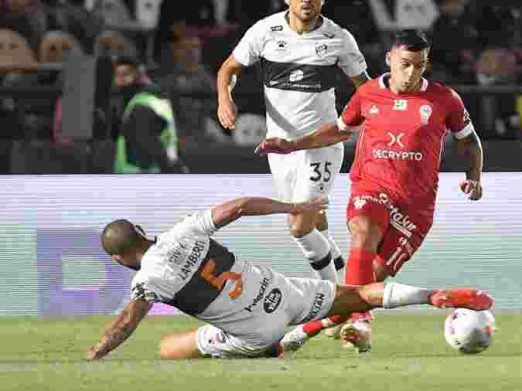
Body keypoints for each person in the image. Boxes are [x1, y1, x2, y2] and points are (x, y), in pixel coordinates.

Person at [257, 30, 485, 352]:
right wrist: (292, 145)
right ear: (390, 58)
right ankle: (361, 322)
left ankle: (306, 332)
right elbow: (338, 130)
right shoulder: (368, 94)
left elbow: (470, 141)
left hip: (415, 210)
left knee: (363, 287)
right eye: (405, 64)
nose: (411, 73)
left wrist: (474, 177)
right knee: (362, 231)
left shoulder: (444, 99)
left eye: (419, 66)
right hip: (372, 187)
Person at [84, 196, 493, 360]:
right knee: (360, 295)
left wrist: (94, 355)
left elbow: (125, 323)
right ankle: (431, 294)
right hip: (280, 291)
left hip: (251, 331)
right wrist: (295, 205)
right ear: (142, 230)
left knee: (167, 349)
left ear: (120, 259)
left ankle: (285, 343)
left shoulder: (147, 280)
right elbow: (240, 205)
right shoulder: (183, 230)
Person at [216, 0, 370, 283]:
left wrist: (354, 121)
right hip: (280, 148)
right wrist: (225, 99)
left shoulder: (338, 38)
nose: (307, 1)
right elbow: (228, 69)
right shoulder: (265, 31)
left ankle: (333, 295)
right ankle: (338, 267)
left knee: (299, 225)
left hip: (320, 146)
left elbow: (366, 90)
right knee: (315, 222)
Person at [113, 56, 188, 174]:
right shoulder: (155, 99)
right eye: (117, 75)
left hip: (141, 177)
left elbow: (150, 142)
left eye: (125, 74)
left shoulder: (142, 104)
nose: (119, 80)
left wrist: (169, 169)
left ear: (139, 74)